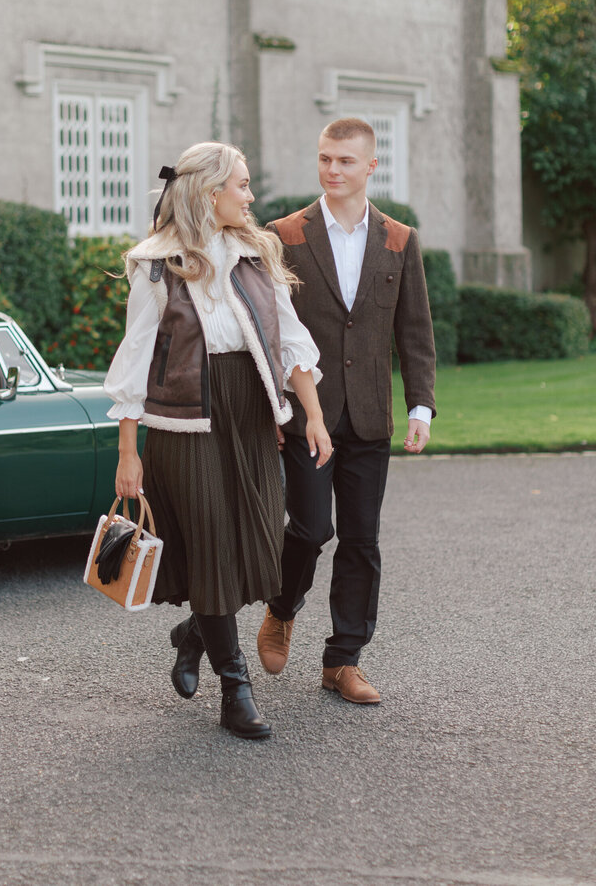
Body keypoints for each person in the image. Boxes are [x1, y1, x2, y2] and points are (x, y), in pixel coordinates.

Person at [104, 142, 332, 740]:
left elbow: (290, 340)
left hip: (251, 416)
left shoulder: (255, 251)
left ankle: (193, 635)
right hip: (185, 425)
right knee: (211, 548)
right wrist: (129, 454)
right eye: (243, 185)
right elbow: (135, 362)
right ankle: (236, 691)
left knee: (259, 547)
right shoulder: (158, 263)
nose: (251, 197)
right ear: (211, 193)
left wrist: (311, 415)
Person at [256, 117, 436, 705]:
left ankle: (343, 660)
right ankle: (282, 608)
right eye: (325, 159)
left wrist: (421, 405)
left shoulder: (399, 240)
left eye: (345, 162)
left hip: (369, 419)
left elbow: (414, 333)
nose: (332, 170)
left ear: (370, 167)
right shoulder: (282, 235)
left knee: (362, 541)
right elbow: (267, 330)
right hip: (304, 414)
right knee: (310, 529)